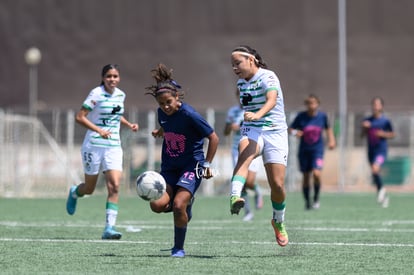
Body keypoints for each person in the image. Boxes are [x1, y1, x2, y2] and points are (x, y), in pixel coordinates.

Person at [146, 63, 219, 258]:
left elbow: (213, 137)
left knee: (178, 205)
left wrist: (207, 164)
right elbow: (167, 124)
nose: (166, 107)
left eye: (169, 102)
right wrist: (160, 131)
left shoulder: (190, 114)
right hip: (169, 167)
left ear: (176, 97)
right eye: (161, 104)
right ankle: (186, 206)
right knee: (157, 206)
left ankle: (178, 248)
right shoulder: (162, 113)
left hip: (191, 166)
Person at [66, 64, 139, 239]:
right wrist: (98, 130)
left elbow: (114, 113)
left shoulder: (121, 95)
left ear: (119, 78)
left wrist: (128, 124)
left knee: (114, 186)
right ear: (103, 78)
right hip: (93, 145)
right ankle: (75, 192)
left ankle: (109, 228)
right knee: (89, 189)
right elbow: (80, 117)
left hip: (113, 146)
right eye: (108, 76)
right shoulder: (96, 94)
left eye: (115, 76)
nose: (112, 79)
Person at [229, 45, 289, 247]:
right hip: (252, 130)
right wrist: (252, 119)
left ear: (251, 60)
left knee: (278, 185)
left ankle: (278, 220)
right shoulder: (241, 83)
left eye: (237, 63)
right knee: (244, 154)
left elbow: (272, 100)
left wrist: (258, 114)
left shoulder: (268, 77)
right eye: (232, 65)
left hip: (275, 133)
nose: (235, 68)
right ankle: (234, 196)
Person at [289, 94, 336, 210]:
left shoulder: (322, 117)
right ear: (306, 104)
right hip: (304, 151)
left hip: (317, 150)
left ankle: (316, 198)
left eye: (314, 103)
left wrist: (332, 140)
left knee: (316, 174)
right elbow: (290, 129)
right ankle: (307, 202)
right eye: (309, 103)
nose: (312, 105)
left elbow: (328, 128)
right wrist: (296, 133)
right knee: (306, 177)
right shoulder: (301, 116)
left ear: (318, 104)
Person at [224, 89, 263, 222]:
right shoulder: (232, 111)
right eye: (239, 95)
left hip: (253, 147)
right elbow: (225, 132)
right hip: (237, 149)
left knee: (250, 182)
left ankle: (257, 191)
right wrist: (231, 127)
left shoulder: (255, 109)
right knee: (242, 182)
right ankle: (248, 212)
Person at [361, 96, 394, 208]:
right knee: (375, 172)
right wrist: (364, 128)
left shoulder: (385, 121)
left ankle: (381, 191)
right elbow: (362, 136)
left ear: (381, 106)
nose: (375, 106)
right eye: (374, 104)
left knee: (375, 168)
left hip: (381, 150)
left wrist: (383, 134)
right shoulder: (367, 120)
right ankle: (383, 193)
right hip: (371, 150)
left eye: (377, 104)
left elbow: (392, 134)